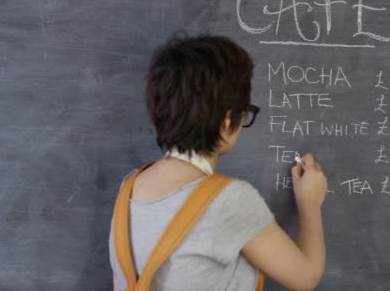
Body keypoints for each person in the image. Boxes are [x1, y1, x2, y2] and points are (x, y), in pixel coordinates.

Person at [109, 33, 328, 291]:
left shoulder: (129, 190)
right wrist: (309, 202)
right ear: (226, 121)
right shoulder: (229, 201)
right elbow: (306, 277)